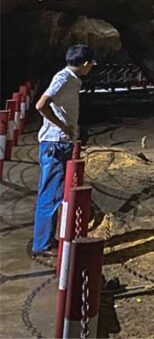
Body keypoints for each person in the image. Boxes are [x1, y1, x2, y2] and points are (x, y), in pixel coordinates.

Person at [31, 44, 95, 256]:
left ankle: (47, 239)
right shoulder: (64, 78)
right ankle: (42, 245)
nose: (92, 67)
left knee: (56, 193)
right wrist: (62, 126)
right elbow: (41, 105)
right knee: (50, 195)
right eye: (91, 64)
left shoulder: (72, 79)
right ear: (85, 64)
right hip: (54, 144)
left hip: (61, 142)